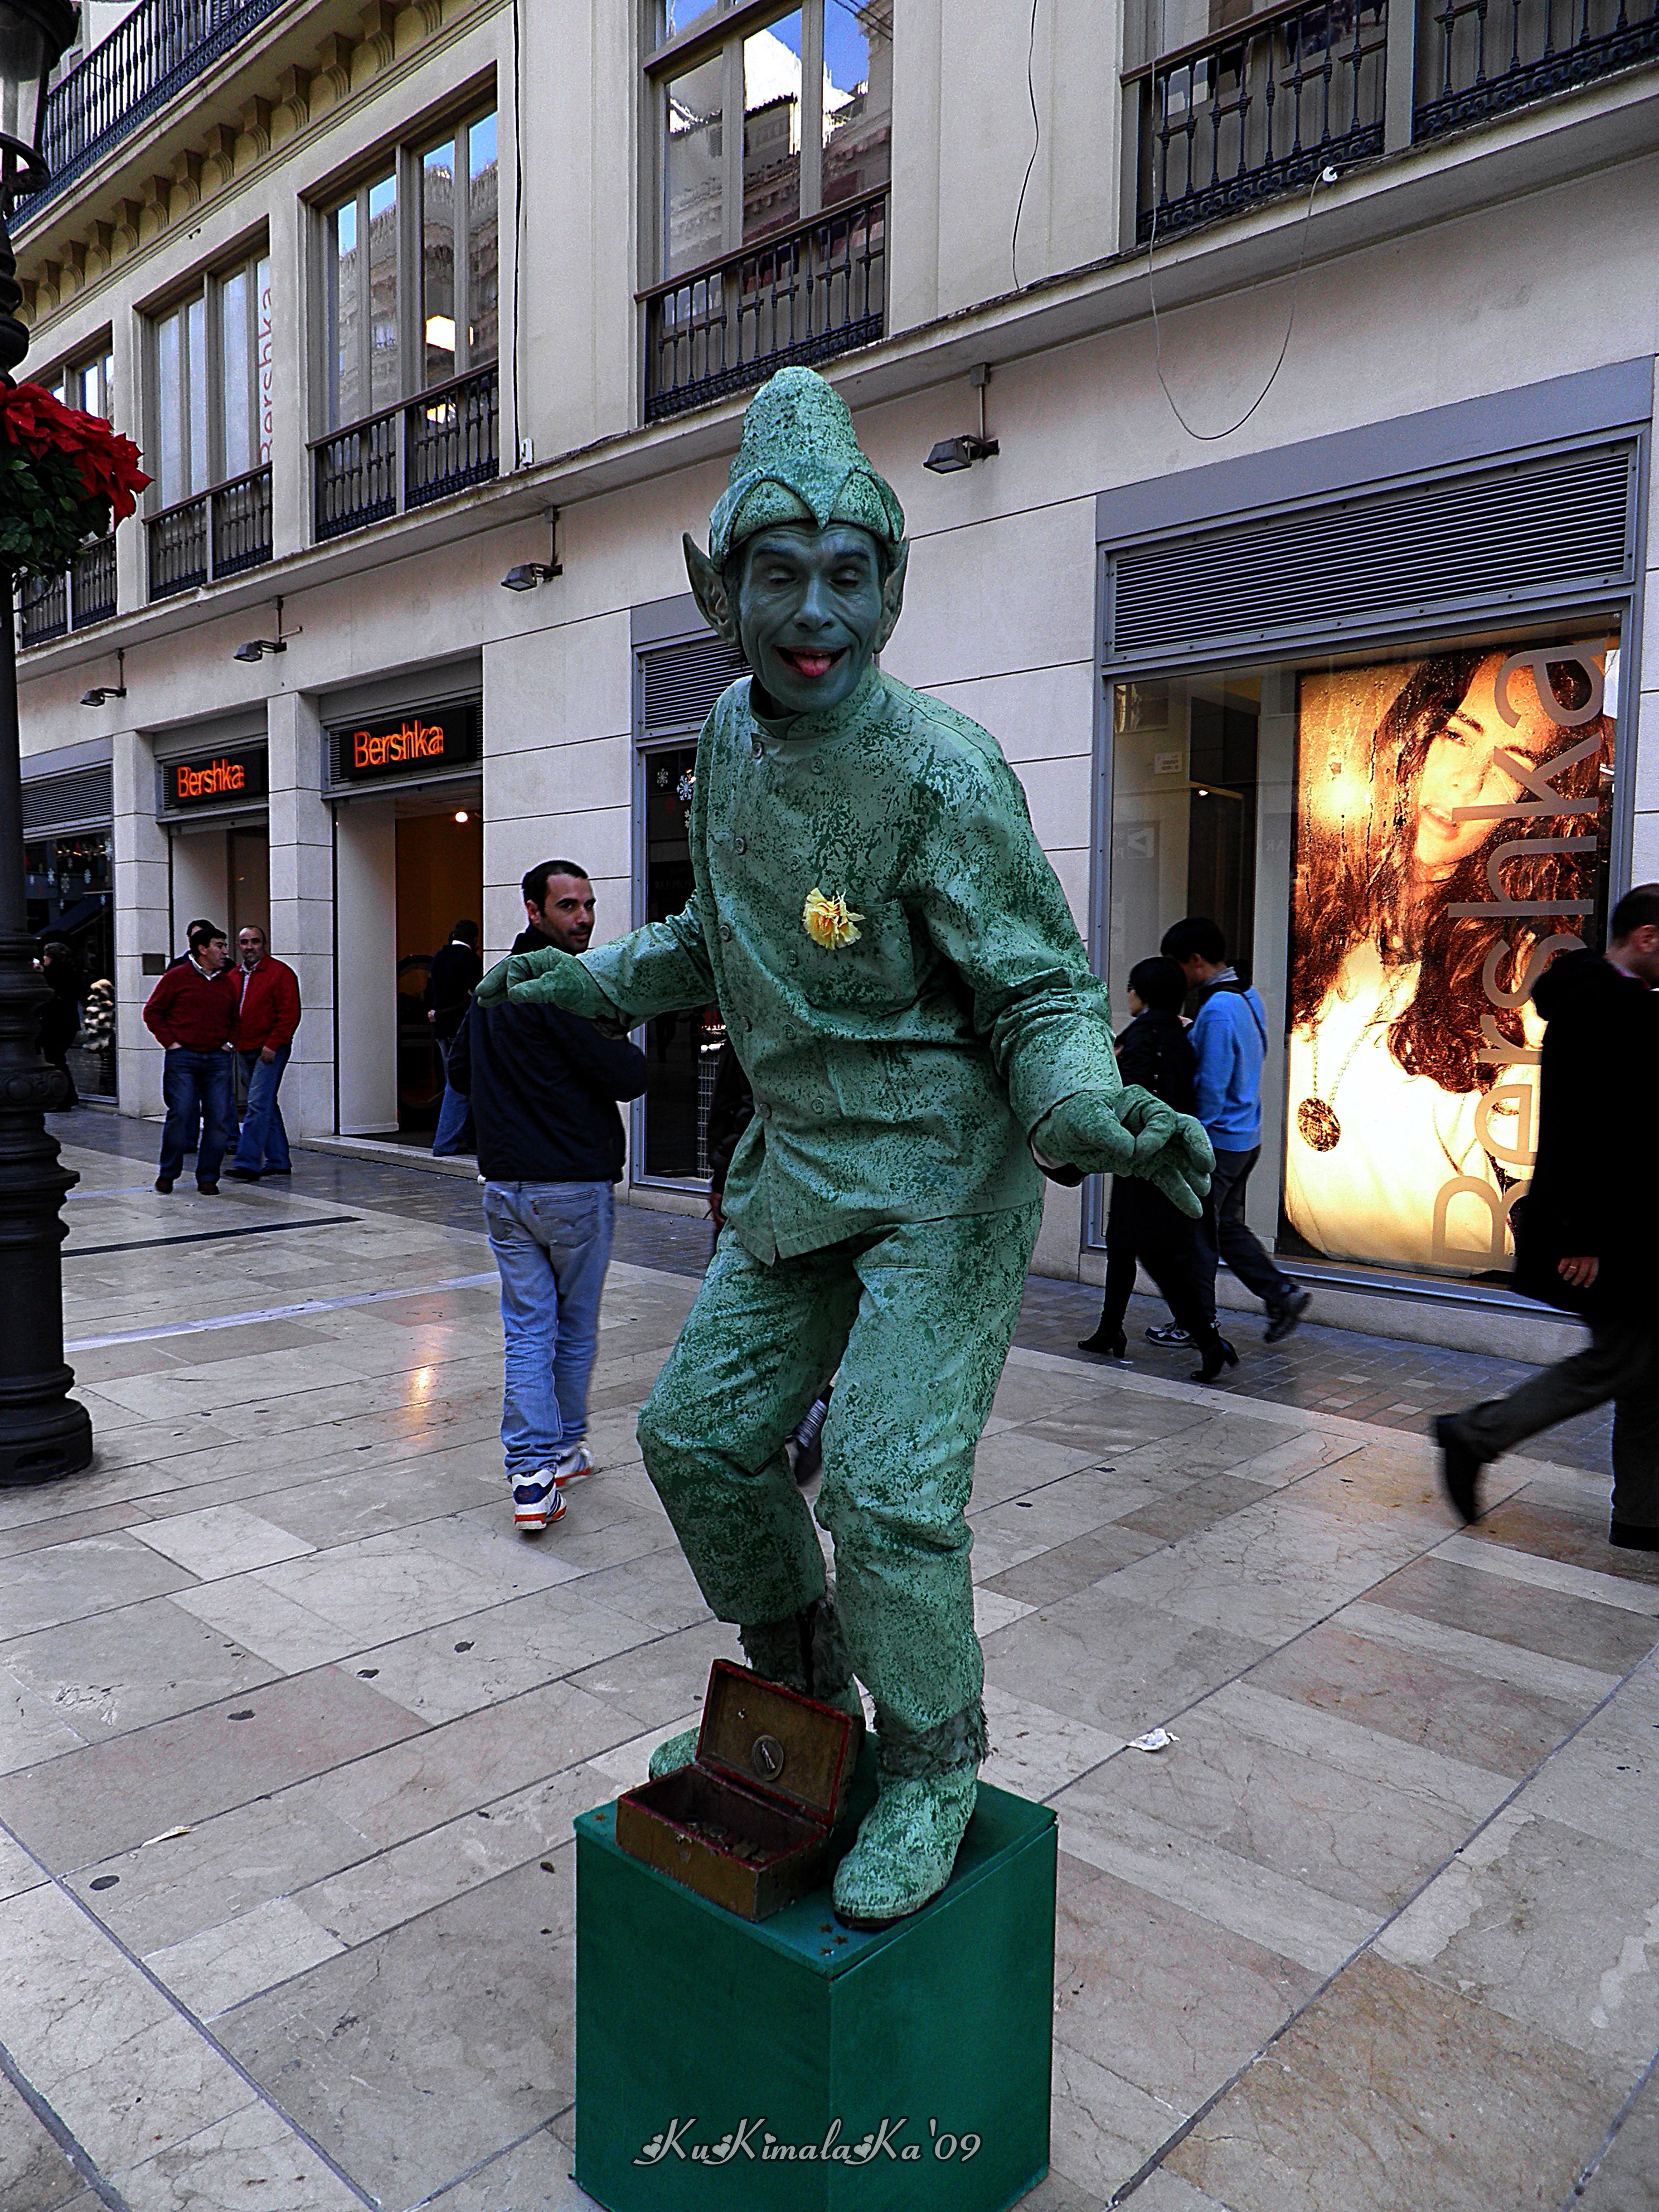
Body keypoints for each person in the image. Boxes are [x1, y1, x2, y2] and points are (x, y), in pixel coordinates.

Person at [477, 368, 1210, 1927]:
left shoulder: (944, 772)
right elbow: (717, 933)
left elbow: (1035, 985)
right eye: (777, 573)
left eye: (846, 573)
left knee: (882, 1490)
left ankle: (932, 1756)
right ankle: (805, 1702)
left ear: (891, 586)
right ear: (719, 596)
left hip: (946, 1184)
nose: (814, 611)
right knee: (690, 1442)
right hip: (800, 1174)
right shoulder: (727, 741)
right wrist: (591, 977)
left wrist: (1081, 1105)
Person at [1286, 646, 1612, 1271]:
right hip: (1313, 1269)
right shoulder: (1318, 915)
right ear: (1415, 733)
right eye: (1457, 735)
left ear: (1534, 798)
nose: (1466, 781)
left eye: (1511, 766)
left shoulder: (1520, 974)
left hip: (1457, 1292)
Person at [1433, 883, 1659, 1545]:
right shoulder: (1602, 1006)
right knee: (1623, 1362)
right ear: (1646, 937)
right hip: (1611, 1231)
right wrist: (1583, 1235)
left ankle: (1643, 1514)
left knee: (1648, 1366)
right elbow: (1583, 1127)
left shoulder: (1616, 1002)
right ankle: (1474, 1434)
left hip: (1629, 1227)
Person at [448, 861, 648, 1536]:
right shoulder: (565, 989)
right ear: (533, 910)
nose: (584, 917)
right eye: (569, 906)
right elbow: (629, 1076)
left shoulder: (492, 988)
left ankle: (533, 1474)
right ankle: (556, 1456)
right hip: (570, 1187)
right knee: (571, 1326)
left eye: (589, 904)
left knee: (530, 1330)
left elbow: (457, 1070)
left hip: (506, 1187)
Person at [1079, 955, 1236, 1382]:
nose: (1127, 994)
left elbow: (1129, 1100)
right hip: (1167, 1161)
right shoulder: (1182, 1036)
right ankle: (1111, 1330)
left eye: (1131, 987)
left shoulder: (1143, 1037)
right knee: (1126, 1248)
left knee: (1154, 1258)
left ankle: (1208, 1342)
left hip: (1145, 1163)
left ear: (1143, 994)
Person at [1162, 915, 1309, 1346]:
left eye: (1177, 965)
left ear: (1195, 960)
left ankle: (1197, 1325)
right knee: (1224, 1227)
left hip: (1219, 1139)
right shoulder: (1246, 995)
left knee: (1198, 1237)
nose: (1176, 976)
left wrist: (1195, 1143)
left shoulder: (1218, 1008)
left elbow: (1211, 1084)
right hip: (1246, 1135)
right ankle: (1282, 1292)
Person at [142, 923, 237, 1194]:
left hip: (217, 1058)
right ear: (202, 949)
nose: (225, 952)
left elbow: (235, 1018)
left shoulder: (226, 981)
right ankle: (168, 1172)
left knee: (218, 1119)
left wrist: (229, 1042)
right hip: (183, 1058)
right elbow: (153, 1012)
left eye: (225, 946)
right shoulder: (177, 976)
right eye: (219, 946)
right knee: (181, 1114)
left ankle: (208, 1177)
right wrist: (171, 1043)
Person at [225, 926, 301, 1182]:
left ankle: (247, 1162)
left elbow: (290, 1014)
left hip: (270, 1050)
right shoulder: (234, 976)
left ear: (264, 944)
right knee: (266, 1102)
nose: (249, 947)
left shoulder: (280, 973)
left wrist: (274, 1044)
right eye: (244, 942)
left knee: (256, 1104)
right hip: (244, 1048)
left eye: (254, 942)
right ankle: (279, 1160)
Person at [427, 920, 483, 1157]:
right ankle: (445, 1142)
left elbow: (431, 992)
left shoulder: (439, 957)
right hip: (461, 1028)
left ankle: (472, 1139)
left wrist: (436, 1014)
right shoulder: (469, 960)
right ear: (475, 940)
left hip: (442, 1029)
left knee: (461, 1081)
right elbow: (477, 996)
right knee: (460, 1085)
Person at [36, 941, 82, 1108]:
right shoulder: (70, 972)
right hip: (66, 1023)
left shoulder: (54, 974)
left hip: (55, 1023)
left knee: (55, 1059)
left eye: (46, 956)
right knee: (57, 1059)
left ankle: (65, 1098)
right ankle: (67, 1097)